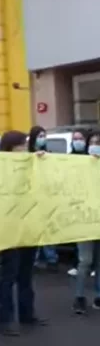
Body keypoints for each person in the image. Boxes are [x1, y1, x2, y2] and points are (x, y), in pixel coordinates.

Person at [0, 130, 47, 336]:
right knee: (9, 274)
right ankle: (6, 319)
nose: (25, 149)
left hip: (29, 225)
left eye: (26, 145)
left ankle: (27, 313)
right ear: (10, 148)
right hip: (9, 227)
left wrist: (43, 162)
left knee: (26, 273)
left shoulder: (31, 164)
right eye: (21, 146)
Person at [72, 130, 100, 314]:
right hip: (84, 219)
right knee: (85, 261)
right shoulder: (75, 165)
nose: (94, 145)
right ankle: (79, 297)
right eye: (92, 142)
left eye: (98, 142)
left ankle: (98, 296)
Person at [28, 126, 58, 271]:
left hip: (46, 198)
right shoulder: (27, 155)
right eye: (40, 136)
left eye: (44, 136)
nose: (43, 138)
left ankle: (51, 258)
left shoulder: (48, 154)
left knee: (47, 229)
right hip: (31, 199)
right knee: (34, 230)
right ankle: (33, 259)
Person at [66, 129, 88, 278]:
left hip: (91, 202)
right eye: (75, 139)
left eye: (80, 139)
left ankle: (92, 265)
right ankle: (76, 263)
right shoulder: (68, 159)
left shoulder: (92, 157)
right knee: (78, 237)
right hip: (75, 202)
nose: (78, 142)